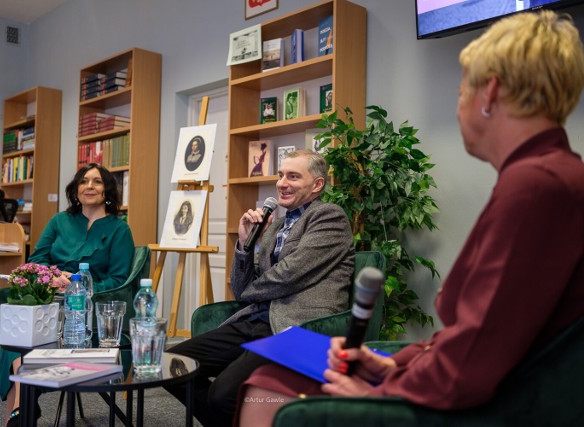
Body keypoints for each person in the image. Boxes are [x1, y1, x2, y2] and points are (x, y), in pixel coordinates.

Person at [237, 10, 584, 426]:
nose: (458, 109)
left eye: (460, 93)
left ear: (489, 94)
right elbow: (485, 329)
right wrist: (397, 364)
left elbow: (475, 354)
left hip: (480, 406)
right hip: (474, 382)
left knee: (266, 382)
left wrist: (385, 391)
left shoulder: (536, 187)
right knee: (266, 375)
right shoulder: (550, 175)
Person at [164, 149, 355, 426]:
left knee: (223, 395)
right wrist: (244, 244)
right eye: (280, 176)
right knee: (171, 365)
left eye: (293, 176)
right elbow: (239, 287)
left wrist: (249, 290)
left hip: (297, 328)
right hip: (255, 320)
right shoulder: (274, 226)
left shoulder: (329, 218)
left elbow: (289, 275)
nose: (282, 183)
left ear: (317, 185)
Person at [0, 163, 135, 426]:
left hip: (89, 309)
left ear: (107, 190)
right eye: (84, 181)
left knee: (26, 340)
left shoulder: (120, 230)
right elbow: (36, 260)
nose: (90, 186)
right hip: (51, 300)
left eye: (97, 182)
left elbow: (119, 280)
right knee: (18, 330)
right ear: (76, 189)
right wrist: (54, 276)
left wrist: (80, 287)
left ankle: (20, 412)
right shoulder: (59, 221)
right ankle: (21, 409)